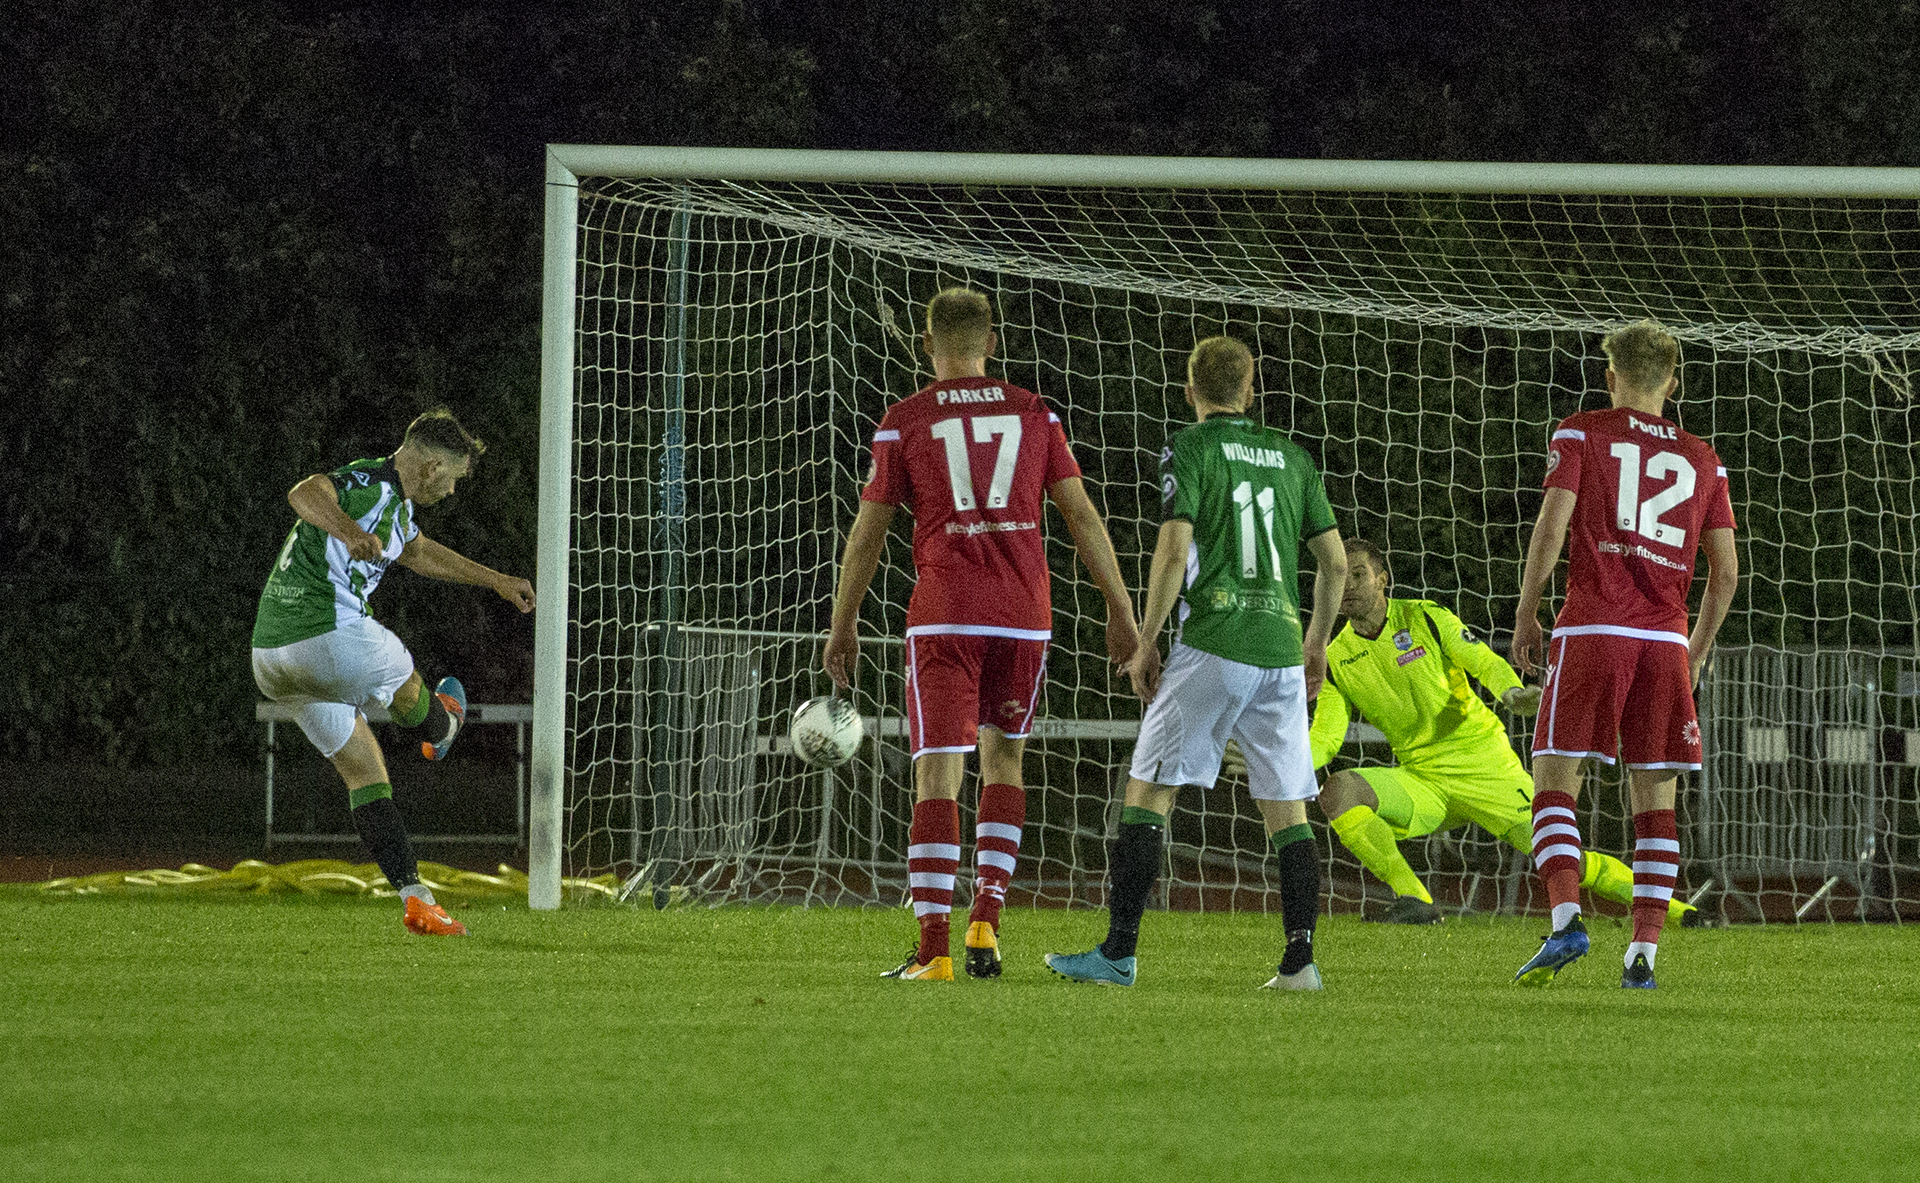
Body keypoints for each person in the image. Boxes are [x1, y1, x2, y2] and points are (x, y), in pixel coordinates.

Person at [824, 287, 1138, 982]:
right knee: (1005, 763)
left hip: (945, 614)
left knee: (938, 771)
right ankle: (985, 919)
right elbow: (1081, 516)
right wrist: (1121, 608)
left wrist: (843, 622)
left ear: (927, 346)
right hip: (1024, 615)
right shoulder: (1034, 413)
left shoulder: (904, 420)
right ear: (990, 343)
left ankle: (934, 947)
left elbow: (868, 534)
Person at [1045, 335, 1346, 990]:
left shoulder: (1191, 446)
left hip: (1214, 639)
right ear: (1252, 384)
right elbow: (1336, 563)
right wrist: (1316, 639)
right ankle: (1300, 961)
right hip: (1280, 652)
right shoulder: (1293, 459)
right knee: (1287, 808)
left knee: (1149, 790)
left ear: (1190, 392)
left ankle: (1118, 953)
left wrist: (1146, 638)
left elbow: (1175, 551)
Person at [1302, 537, 1704, 927]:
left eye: (1359, 575)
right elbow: (1328, 734)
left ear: (1383, 579)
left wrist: (1511, 691)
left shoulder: (1424, 616)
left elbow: (1481, 660)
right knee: (1340, 791)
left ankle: (1677, 912)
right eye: (1340, 579)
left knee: (1565, 857)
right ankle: (1414, 899)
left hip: (1486, 768)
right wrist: (1287, 760)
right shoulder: (1334, 658)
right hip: (1422, 781)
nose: (1348, 587)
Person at [1510, 321, 1738, 988]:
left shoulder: (1582, 431)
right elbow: (1725, 573)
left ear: (1611, 376)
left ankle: (1564, 921)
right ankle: (1643, 952)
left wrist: (1528, 611)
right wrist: (1693, 650)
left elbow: (1553, 523)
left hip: (1593, 629)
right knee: (1655, 802)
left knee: (1555, 779)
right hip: (1665, 641)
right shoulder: (1704, 458)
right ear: (1674, 380)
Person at [251, 407, 535, 936]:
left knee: (365, 771)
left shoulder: (397, 510)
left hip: (271, 659)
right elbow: (305, 492)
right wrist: (348, 530)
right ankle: (443, 727)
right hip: (327, 635)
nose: (451, 492)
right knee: (403, 675)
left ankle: (416, 897)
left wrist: (495, 579)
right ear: (429, 467)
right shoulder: (372, 484)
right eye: (450, 480)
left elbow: (420, 551)